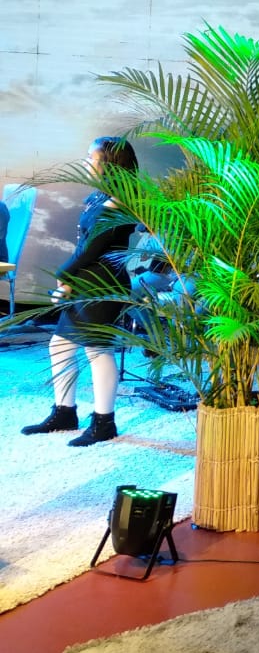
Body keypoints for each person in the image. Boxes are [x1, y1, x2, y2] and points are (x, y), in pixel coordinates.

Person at [21, 137, 140, 446]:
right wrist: (69, 280)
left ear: (111, 165)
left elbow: (91, 248)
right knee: (60, 345)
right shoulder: (99, 196)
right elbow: (84, 245)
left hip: (104, 285)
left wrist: (63, 275)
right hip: (86, 281)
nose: (86, 163)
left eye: (92, 158)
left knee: (97, 351)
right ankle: (64, 413)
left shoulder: (121, 201)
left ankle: (104, 423)